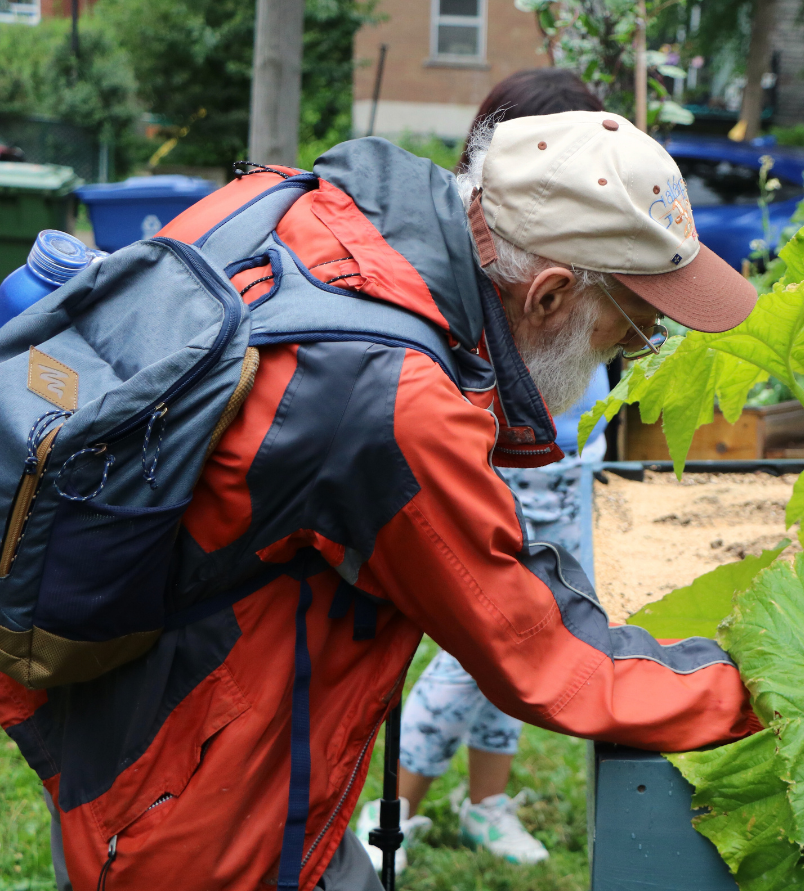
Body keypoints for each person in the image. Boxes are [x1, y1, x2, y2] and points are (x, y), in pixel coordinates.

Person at [0, 108, 758, 891]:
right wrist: (767, 686)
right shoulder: (393, 399)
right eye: (631, 329)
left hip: (141, 724)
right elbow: (543, 655)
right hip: (200, 812)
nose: (632, 352)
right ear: (550, 295)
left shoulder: (297, 205)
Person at [353, 68, 609, 873]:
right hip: (517, 470)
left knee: (546, 629)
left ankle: (487, 799)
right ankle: (390, 809)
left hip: (574, 471)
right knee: (486, 650)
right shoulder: (502, 246)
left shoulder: (592, 228)